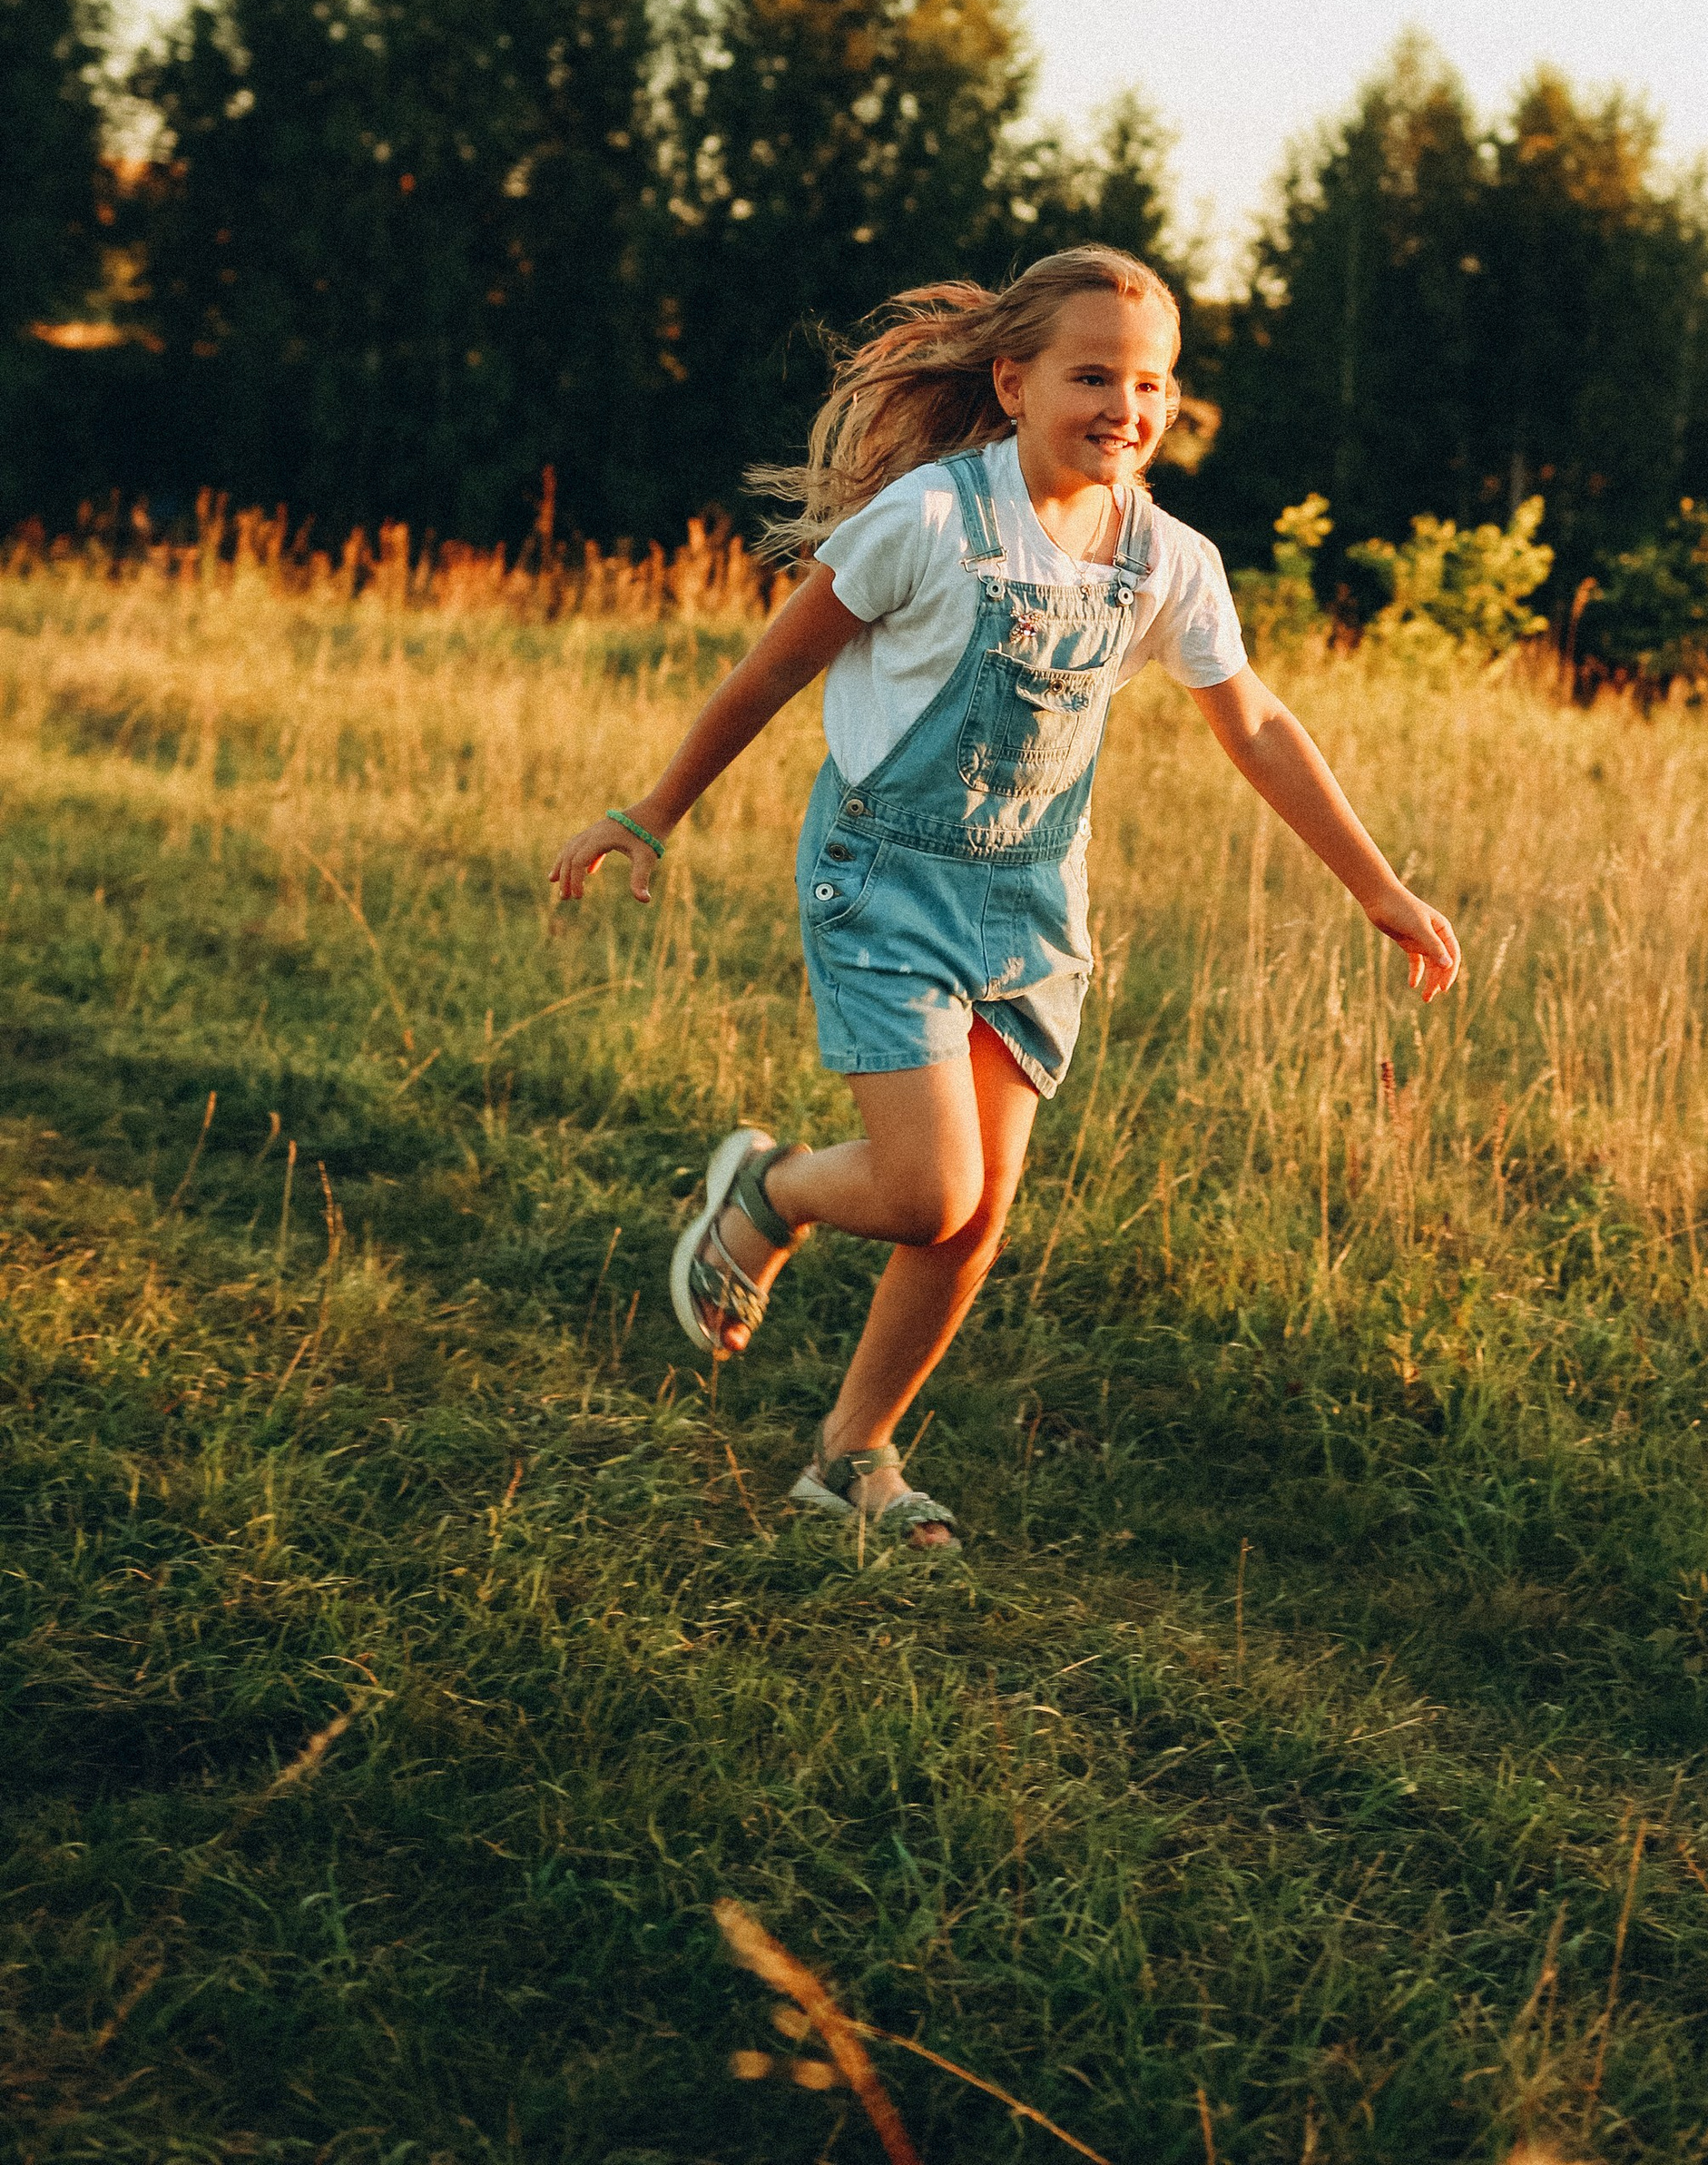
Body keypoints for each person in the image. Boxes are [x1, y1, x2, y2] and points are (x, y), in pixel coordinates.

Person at [549, 245, 1460, 1550]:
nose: (1126, 409)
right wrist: (651, 813)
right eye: (1093, 375)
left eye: (1152, 384)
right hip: (887, 882)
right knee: (926, 1189)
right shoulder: (927, 519)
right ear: (1014, 380)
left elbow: (1253, 723)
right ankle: (774, 1193)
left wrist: (1378, 886)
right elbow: (768, 676)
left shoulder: (1168, 562)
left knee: (975, 1219)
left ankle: (852, 1456)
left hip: (1033, 906)